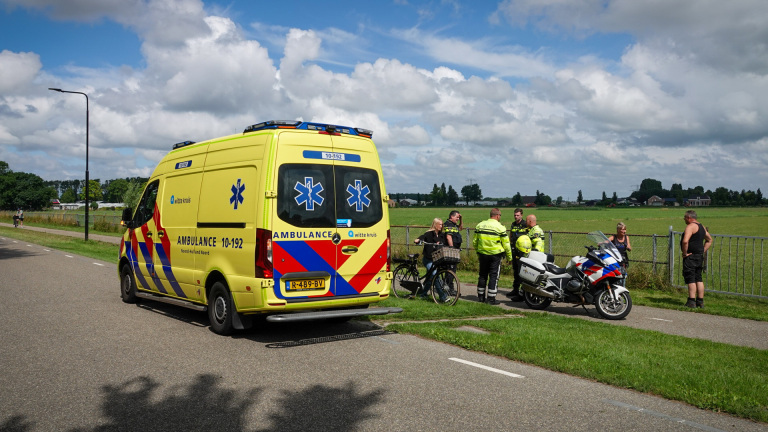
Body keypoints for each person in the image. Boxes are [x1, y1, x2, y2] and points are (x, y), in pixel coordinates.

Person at [473, 208, 512, 305]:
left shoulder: (480, 225)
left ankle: (481, 297)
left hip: (483, 254)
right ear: (498, 216)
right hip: (495, 255)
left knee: (482, 275)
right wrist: (509, 257)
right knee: (494, 276)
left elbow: (475, 241)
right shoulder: (500, 227)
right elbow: (506, 244)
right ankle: (491, 298)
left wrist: (478, 251)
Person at [680, 210, 712, 308]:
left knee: (691, 278)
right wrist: (702, 251)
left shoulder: (690, 227)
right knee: (699, 278)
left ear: (689, 217)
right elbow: (709, 240)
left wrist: (685, 253)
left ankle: (691, 301)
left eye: (685, 218)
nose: (684, 219)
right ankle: (700, 301)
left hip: (691, 257)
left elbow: (685, 241)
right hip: (699, 257)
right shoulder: (702, 227)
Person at [414, 218, 445, 298]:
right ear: (435, 225)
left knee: (430, 277)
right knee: (435, 275)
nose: (441, 226)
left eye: (442, 224)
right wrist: (418, 239)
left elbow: (445, 243)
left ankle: (423, 294)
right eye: (440, 224)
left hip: (437, 259)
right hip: (428, 259)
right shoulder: (429, 233)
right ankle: (442, 297)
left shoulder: (442, 235)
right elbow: (423, 237)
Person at [506, 208, 527, 301]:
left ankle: (523, 292)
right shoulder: (513, 224)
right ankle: (515, 289)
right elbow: (511, 235)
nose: (516, 217)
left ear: (521, 215)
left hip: (522, 251)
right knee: (515, 270)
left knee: (522, 271)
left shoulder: (525, 224)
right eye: (515, 215)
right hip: (514, 250)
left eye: (518, 215)